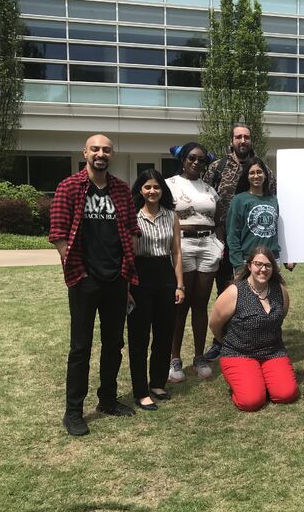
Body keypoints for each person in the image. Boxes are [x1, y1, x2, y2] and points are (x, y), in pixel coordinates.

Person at [49, 134, 140, 436]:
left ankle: (108, 400)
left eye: (107, 150)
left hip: (117, 278)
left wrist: (126, 271)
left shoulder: (121, 189)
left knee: (114, 344)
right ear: (85, 153)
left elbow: (131, 229)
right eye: (96, 149)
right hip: (85, 279)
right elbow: (59, 235)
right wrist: (78, 273)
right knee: (81, 347)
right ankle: (73, 412)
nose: (101, 154)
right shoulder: (69, 187)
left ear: (112, 155)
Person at [208, 246, 299, 412]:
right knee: (251, 401)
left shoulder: (280, 291)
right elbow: (215, 324)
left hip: (273, 351)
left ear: (274, 268)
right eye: (258, 264)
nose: (263, 269)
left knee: (287, 394)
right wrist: (227, 341)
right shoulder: (234, 292)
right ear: (249, 266)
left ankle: (262, 378)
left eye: (268, 265)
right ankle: (252, 381)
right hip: (239, 353)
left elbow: (280, 317)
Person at [165, 142, 223, 382]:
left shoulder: (210, 189)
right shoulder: (170, 185)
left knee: (200, 304)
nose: (196, 163)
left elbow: (218, 219)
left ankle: (199, 358)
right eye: (192, 158)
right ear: (183, 159)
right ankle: (174, 359)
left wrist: (220, 244)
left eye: (201, 160)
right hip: (183, 245)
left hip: (208, 245)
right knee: (181, 304)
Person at [127, 169, 184, 411]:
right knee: (139, 337)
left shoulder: (171, 216)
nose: (152, 191)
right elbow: (128, 253)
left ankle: (158, 382)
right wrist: (127, 286)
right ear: (140, 189)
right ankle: (140, 390)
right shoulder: (132, 216)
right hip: (140, 276)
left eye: (156, 187)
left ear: (163, 190)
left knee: (163, 334)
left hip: (165, 276)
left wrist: (180, 284)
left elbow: (177, 252)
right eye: (147, 187)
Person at [204, 123, 276, 294]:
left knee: (258, 289)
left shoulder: (263, 169)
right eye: (238, 137)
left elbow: (273, 201)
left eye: (246, 137)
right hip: (223, 240)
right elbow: (206, 199)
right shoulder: (217, 167)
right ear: (231, 141)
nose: (243, 141)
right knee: (227, 288)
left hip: (254, 240)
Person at [226, 157, 283, 274]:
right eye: (251, 173)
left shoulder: (273, 200)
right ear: (246, 176)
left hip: (272, 259)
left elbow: (278, 231)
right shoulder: (239, 200)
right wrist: (238, 264)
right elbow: (233, 234)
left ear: (265, 175)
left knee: (272, 292)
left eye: (259, 172)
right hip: (247, 260)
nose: (256, 176)